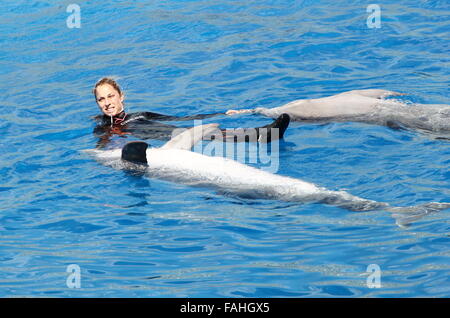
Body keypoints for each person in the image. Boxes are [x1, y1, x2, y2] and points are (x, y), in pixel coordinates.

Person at [92, 77, 290, 148]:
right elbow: (105, 147)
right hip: (159, 143)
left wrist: (220, 114)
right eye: (102, 99)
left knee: (199, 130)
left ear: (121, 96)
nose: (107, 103)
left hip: (170, 131)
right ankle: (261, 136)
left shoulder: (140, 115)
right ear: (97, 103)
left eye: (110, 96)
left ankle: (263, 134)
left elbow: (179, 118)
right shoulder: (102, 128)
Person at [226, 89, 450, 136]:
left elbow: (276, 120)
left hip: (391, 119)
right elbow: (387, 92)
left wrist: (242, 112)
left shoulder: (297, 113)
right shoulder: (350, 94)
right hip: (408, 109)